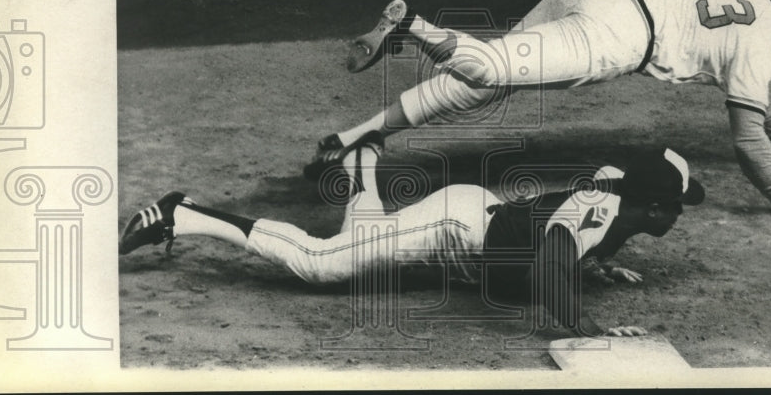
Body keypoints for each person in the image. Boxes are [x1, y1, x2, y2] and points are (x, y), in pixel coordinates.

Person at [306, 0, 771, 224]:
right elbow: (747, 135)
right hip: (612, 37)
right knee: (491, 67)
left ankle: (347, 141)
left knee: (483, 84)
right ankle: (414, 26)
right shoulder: (760, 46)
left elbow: (753, 91)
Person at [119, 136, 705, 338]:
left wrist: (598, 267)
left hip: (475, 221)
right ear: (654, 207)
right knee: (321, 265)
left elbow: (574, 233)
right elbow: (553, 260)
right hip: (453, 229)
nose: (680, 215)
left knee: (363, 234)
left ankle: (364, 161)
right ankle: (185, 213)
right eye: (676, 206)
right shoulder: (603, 210)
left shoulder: (618, 194)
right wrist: (588, 327)